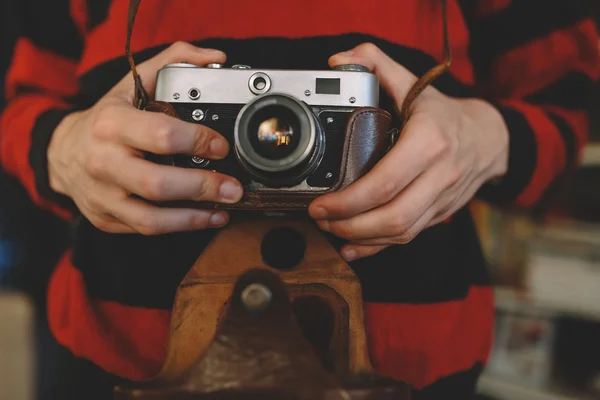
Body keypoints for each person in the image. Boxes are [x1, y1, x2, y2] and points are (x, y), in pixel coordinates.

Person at [1, 1, 598, 399]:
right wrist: (64, 149)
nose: (273, 132)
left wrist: (483, 138)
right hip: (116, 363)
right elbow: (23, 104)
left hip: (402, 373)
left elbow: (566, 117)